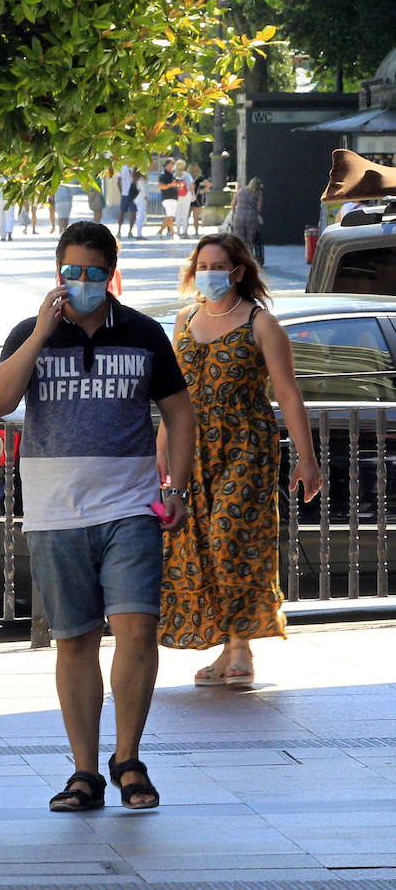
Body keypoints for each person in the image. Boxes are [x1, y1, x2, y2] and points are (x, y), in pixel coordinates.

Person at [0, 221, 195, 812]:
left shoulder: (145, 334)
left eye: (92, 273)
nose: (80, 282)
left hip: (130, 507)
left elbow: (180, 413)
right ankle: (83, 771)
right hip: (54, 513)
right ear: (56, 273)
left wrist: (176, 484)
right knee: (74, 640)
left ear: (111, 273)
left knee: (136, 629)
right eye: (70, 272)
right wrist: (42, 331)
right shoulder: (31, 334)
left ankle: (127, 759)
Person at [158, 235, 321, 688]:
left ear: (238, 271)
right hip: (193, 447)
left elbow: (288, 394)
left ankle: (240, 646)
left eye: (219, 265)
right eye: (203, 265)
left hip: (245, 446)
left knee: (231, 537)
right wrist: (162, 447)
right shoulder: (184, 320)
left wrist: (308, 461)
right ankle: (224, 645)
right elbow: (176, 393)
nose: (210, 273)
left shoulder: (260, 323)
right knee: (199, 545)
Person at [231, 177, 264, 262]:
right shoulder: (258, 193)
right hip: (251, 218)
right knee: (250, 240)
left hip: (239, 217)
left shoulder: (241, 191)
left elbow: (233, 204)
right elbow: (258, 208)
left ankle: (239, 258)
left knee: (240, 239)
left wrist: (234, 214)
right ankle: (249, 258)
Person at [156, 159, 180, 238]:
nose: (172, 166)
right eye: (171, 164)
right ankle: (169, 233)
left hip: (174, 197)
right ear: (167, 165)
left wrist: (178, 186)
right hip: (167, 198)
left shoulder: (173, 175)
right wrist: (170, 185)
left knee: (171, 216)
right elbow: (160, 186)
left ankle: (168, 233)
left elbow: (175, 185)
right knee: (171, 216)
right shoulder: (163, 175)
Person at [116, 169, 141, 239]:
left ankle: (120, 231)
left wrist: (121, 192)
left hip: (127, 193)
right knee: (131, 212)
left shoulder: (122, 167)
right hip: (131, 193)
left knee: (124, 212)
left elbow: (118, 182)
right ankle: (128, 232)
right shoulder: (131, 167)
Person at [173, 161, 195, 239]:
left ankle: (177, 231)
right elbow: (192, 185)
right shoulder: (187, 175)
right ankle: (185, 232)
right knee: (185, 214)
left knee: (178, 214)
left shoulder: (174, 175)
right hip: (186, 195)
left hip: (177, 196)